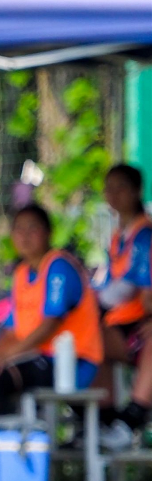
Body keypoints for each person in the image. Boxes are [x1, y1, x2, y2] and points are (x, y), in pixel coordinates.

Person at [0, 205, 103, 420]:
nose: (25, 236)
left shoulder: (59, 267)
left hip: (70, 361)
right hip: (36, 358)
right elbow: (10, 333)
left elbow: (49, 325)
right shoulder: (21, 274)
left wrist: (4, 358)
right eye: (19, 230)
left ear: (48, 232)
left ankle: (13, 446)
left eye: (32, 228)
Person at [95, 164, 151, 446]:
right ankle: (103, 420)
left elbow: (130, 285)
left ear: (136, 191)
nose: (114, 195)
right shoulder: (118, 237)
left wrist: (97, 302)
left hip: (144, 323)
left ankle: (132, 418)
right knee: (90, 340)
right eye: (109, 188)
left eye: (121, 187)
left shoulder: (145, 234)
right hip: (123, 324)